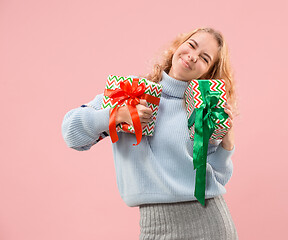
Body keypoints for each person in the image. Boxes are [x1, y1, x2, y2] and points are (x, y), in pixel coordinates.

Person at [62, 27, 238, 240]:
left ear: (207, 72)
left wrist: (227, 143)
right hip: (154, 225)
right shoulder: (130, 92)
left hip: (209, 223)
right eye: (191, 45)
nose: (192, 57)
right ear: (179, 44)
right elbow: (72, 134)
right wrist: (117, 115)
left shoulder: (201, 109)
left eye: (204, 58)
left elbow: (217, 178)